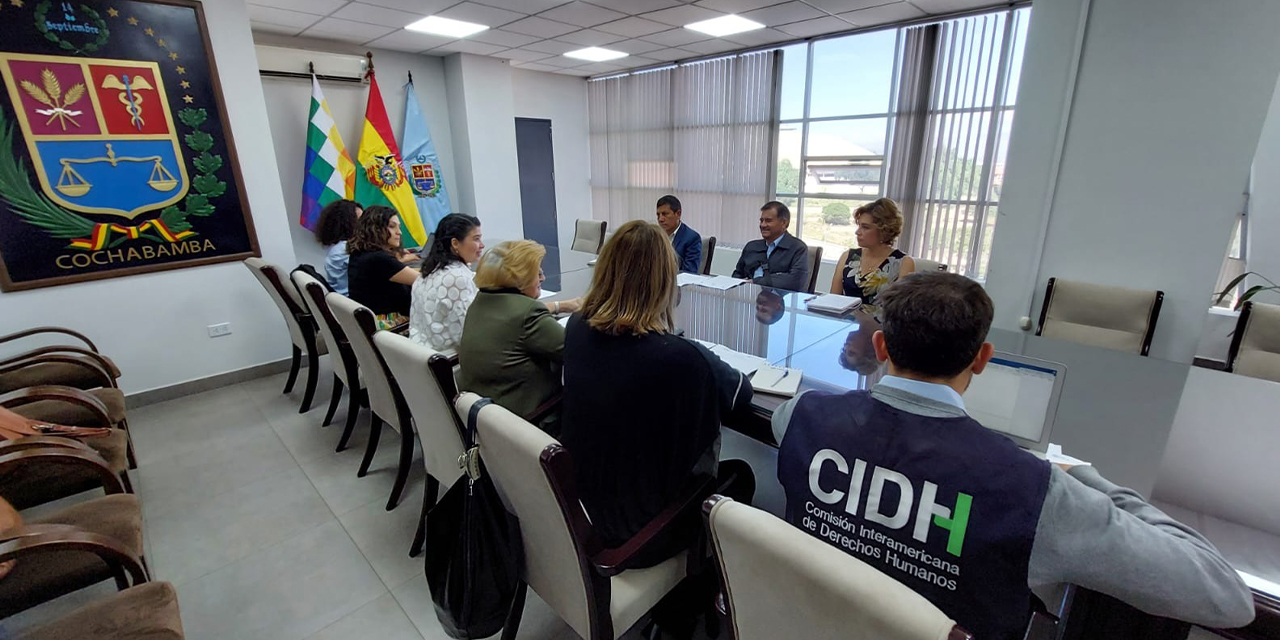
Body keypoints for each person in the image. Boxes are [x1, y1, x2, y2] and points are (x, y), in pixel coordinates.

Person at [771, 272, 1254, 639]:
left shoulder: (801, 417)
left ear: (880, 345)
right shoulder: (1034, 490)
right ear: (982, 359)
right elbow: (1226, 597)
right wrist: (1083, 477)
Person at [561, 220, 755, 639]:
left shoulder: (577, 327)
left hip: (581, 502)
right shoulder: (681, 359)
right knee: (741, 477)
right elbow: (741, 396)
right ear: (667, 282)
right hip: (639, 534)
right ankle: (689, 604)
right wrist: (686, 345)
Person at [457, 240, 580, 433]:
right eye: (537, 273)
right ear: (520, 279)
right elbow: (575, 354)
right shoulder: (527, 312)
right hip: (527, 422)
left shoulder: (480, 302)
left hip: (485, 414)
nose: (543, 277)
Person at [410, 214, 483, 353]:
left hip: (420, 357)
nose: (482, 245)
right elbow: (467, 337)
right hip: (449, 363)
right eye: (476, 239)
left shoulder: (427, 272)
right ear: (455, 243)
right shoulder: (457, 278)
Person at [830, 198, 915, 310]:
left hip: (881, 326)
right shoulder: (847, 257)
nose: (857, 232)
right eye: (858, 225)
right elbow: (832, 301)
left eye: (865, 227)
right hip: (846, 323)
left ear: (884, 230)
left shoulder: (903, 263)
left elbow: (901, 311)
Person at [347, 205, 418, 325]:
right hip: (390, 324)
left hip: (369, 322)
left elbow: (397, 272)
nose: (399, 232)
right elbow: (425, 280)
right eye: (392, 226)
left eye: (399, 227)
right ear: (376, 228)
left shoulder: (360, 253)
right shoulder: (379, 259)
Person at [732, 201, 810, 292]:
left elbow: (795, 281)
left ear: (784, 223)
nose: (763, 225)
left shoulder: (797, 248)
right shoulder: (751, 246)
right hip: (748, 299)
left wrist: (755, 282)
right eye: (761, 220)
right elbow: (737, 275)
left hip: (780, 302)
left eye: (768, 221)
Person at [314, 199, 361, 295]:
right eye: (360, 220)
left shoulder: (336, 247)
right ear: (346, 223)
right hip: (354, 303)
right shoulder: (344, 249)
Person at [656, 194, 702, 273]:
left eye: (665, 214)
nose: (660, 219)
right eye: (658, 215)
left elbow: (690, 272)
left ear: (678, 214)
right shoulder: (655, 235)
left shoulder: (692, 238)